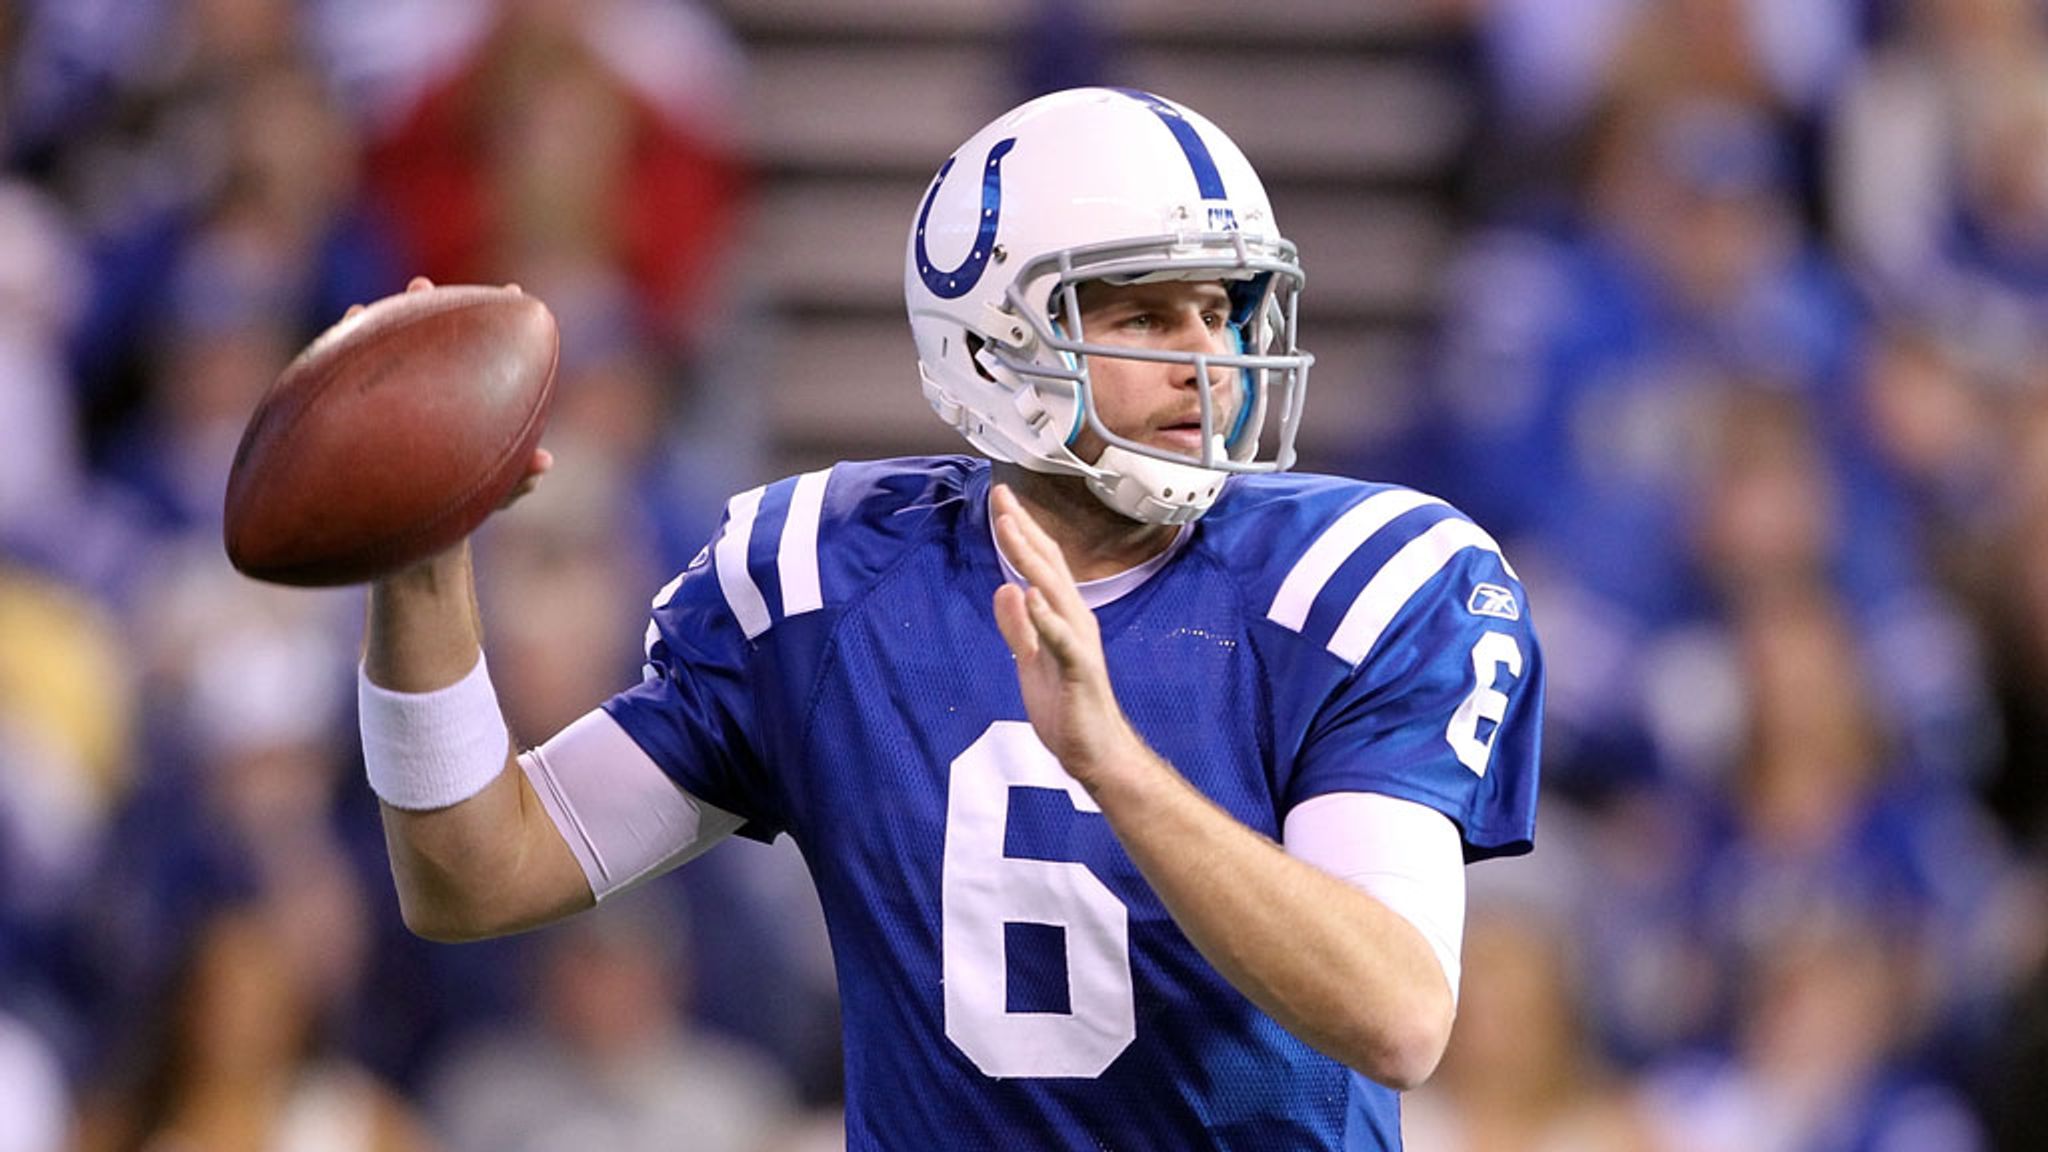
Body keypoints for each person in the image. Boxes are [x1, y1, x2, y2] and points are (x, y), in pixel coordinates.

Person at [353, 87, 1544, 1149]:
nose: (1207, 358)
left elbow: (1394, 1012)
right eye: (1140, 315)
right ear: (993, 342)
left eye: (1224, 309)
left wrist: (1112, 763)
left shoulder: (1359, 581)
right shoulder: (825, 585)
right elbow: (471, 873)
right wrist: (419, 562)